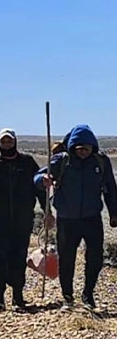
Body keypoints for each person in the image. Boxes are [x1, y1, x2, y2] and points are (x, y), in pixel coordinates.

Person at [35, 124, 117, 309]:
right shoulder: (62, 161)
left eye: (86, 149)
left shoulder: (100, 161)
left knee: (95, 258)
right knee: (66, 259)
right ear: (73, 147)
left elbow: (111, 189)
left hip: (92, 218)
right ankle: (68, 297)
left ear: (92, 147)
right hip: (67, 219)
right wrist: (43, 181)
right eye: (79, 149)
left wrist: (114, 213)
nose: (82, 153)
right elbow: (38, 177)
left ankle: (88, 295)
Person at [0, 128, 47, 311]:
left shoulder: (27, 163)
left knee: (19, 257)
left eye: (9, 141)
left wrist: (47, 212)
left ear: (15, 142)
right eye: (3, 142)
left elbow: (39, 189)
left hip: (22, 221)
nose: (7, 145)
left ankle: (18, 296)